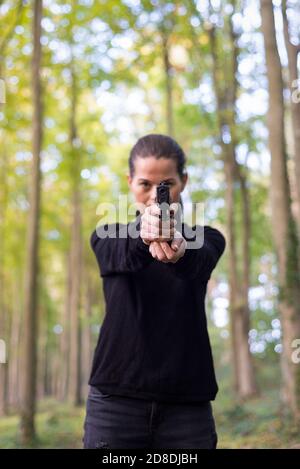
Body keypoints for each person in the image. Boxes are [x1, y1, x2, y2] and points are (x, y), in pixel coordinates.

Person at [83, 133, 226, 449]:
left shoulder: (208, 238)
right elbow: (122, 252)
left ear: (183, 182)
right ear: (130, 181)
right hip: (115, 403)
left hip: (187, 405)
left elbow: (198, 260)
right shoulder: (107, 236)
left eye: (166, 184)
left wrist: (180, 250)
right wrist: (145, 235)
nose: (154, 194)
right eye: (145, 184)